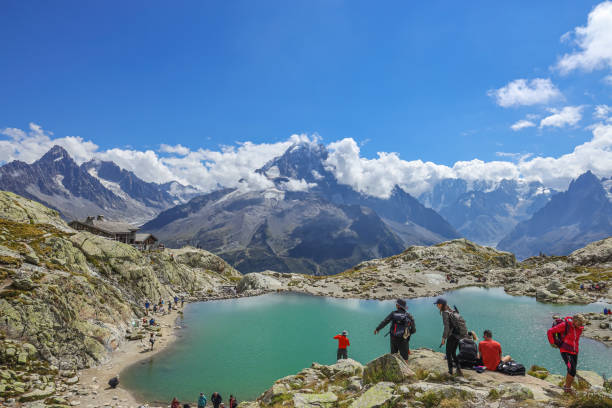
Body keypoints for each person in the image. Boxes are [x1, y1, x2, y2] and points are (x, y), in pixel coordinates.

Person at [547, 314, 586, 394]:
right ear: (574, 321)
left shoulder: (579, 329)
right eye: (580, 322)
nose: (581, 324)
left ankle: (567, 387)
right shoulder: (565, 325)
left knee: (573, 371)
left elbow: (576, 340)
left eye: (582, 323)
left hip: (575, 351)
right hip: (565, 350)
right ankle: (567, 389)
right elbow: (550, 331)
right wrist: (552, 342)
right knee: (571, 369)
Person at [374, 299, 415, 363]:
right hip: (403, 339)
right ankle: (405, 370)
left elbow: (385, 322)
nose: (396, 305)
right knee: (405, 358)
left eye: (396, 304)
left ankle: (394, 370)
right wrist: (408, 334)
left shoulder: (393, 314)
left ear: (398, 306)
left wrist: (377, 329)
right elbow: (413, 330)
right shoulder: (408, 316)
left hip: (393, 338)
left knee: (393, 356)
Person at [434, 298, 466, 376]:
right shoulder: (452, 311)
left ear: (440, 304)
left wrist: (443, 338)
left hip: (452, 336)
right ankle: (458, 369)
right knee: (453, 353)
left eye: (437, 304)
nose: (437, 306)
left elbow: (447, 327)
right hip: (458, 335)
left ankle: (450, 371)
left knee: (448, 354)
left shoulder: (445, 313)